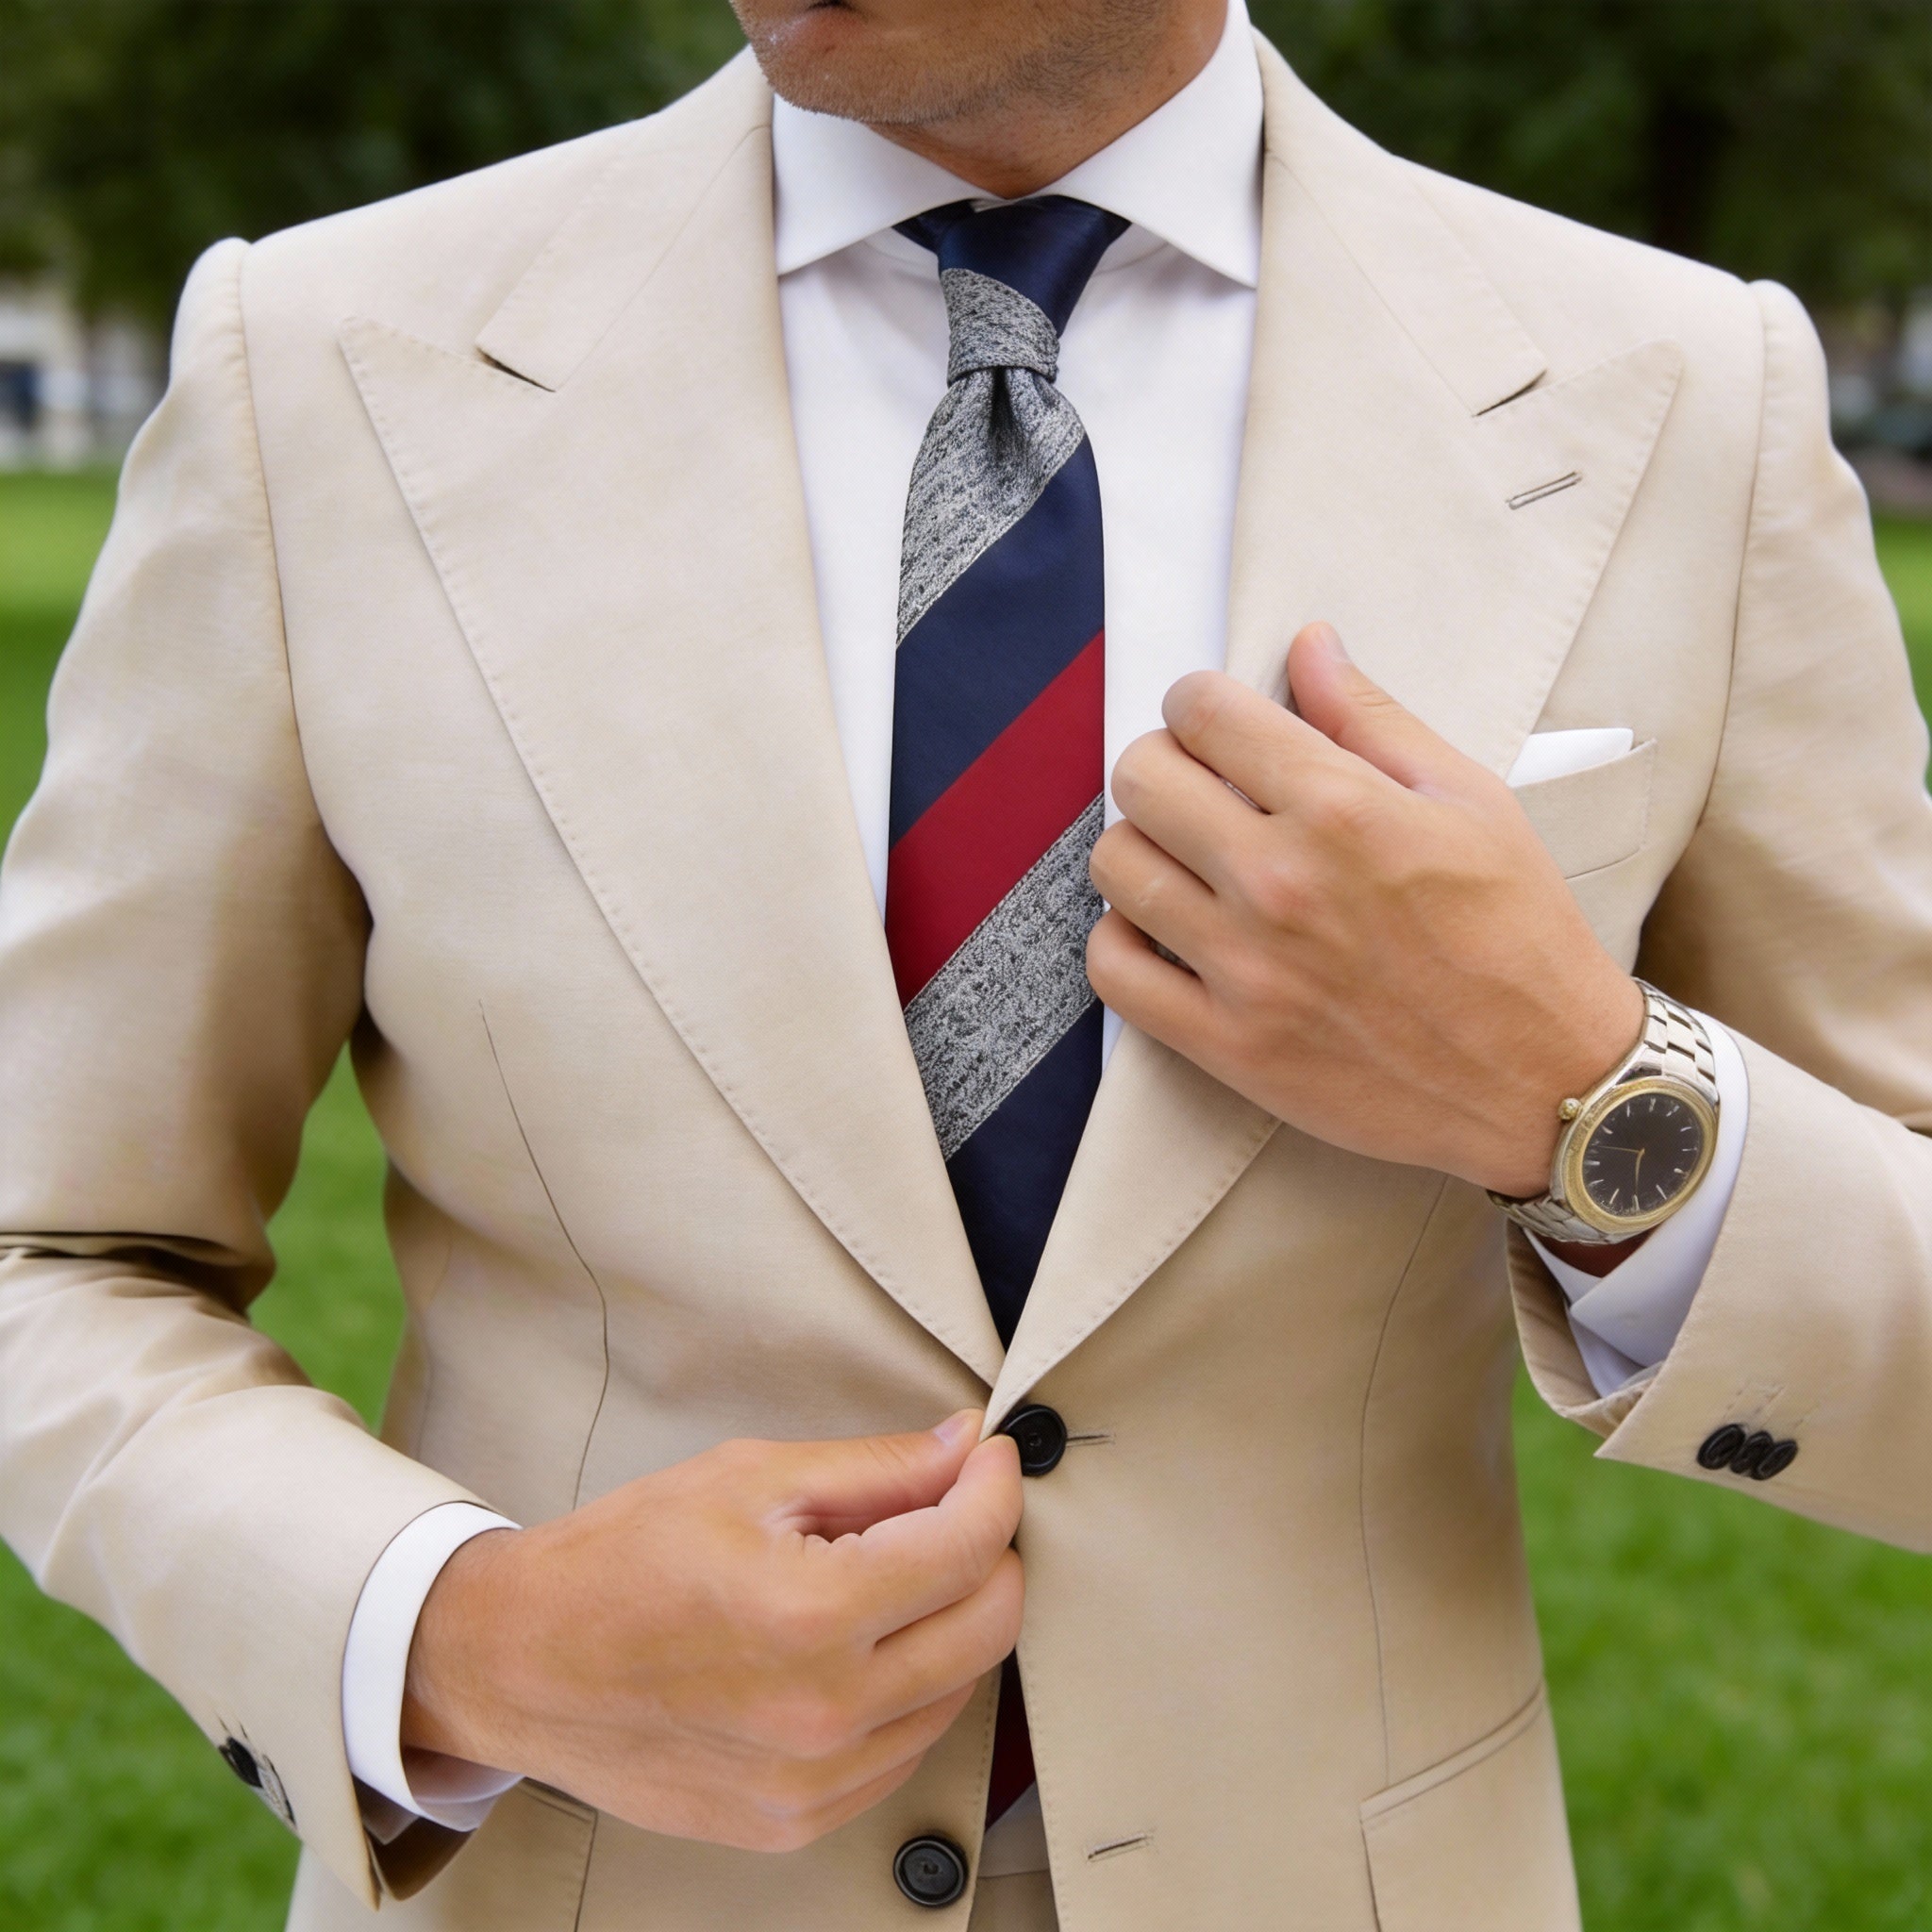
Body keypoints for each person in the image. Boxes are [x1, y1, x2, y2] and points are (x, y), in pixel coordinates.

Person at [2, 0, 1929, 1925]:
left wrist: (1587, 1099)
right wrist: (459, 1634)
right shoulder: (324, 368)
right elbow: (50, 1246)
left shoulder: (1681, 393)